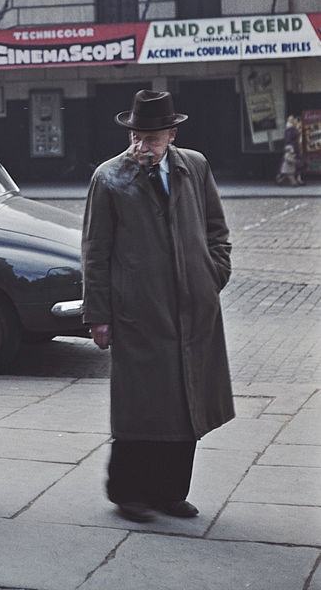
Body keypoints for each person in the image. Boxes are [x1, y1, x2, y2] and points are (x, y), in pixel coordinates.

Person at [81, 89, 234, 523]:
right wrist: (99, 316)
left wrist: (212, 274)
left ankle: (170, 492)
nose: (141, 146)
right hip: (139, 311)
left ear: (172, 133)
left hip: (193, 309)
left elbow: (216, 229)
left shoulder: (195, 167)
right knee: (140, 406)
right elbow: (94, 250)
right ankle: (128, 493)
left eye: (151, 137)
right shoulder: (109, 177)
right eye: (136, 136)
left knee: (187, 403)